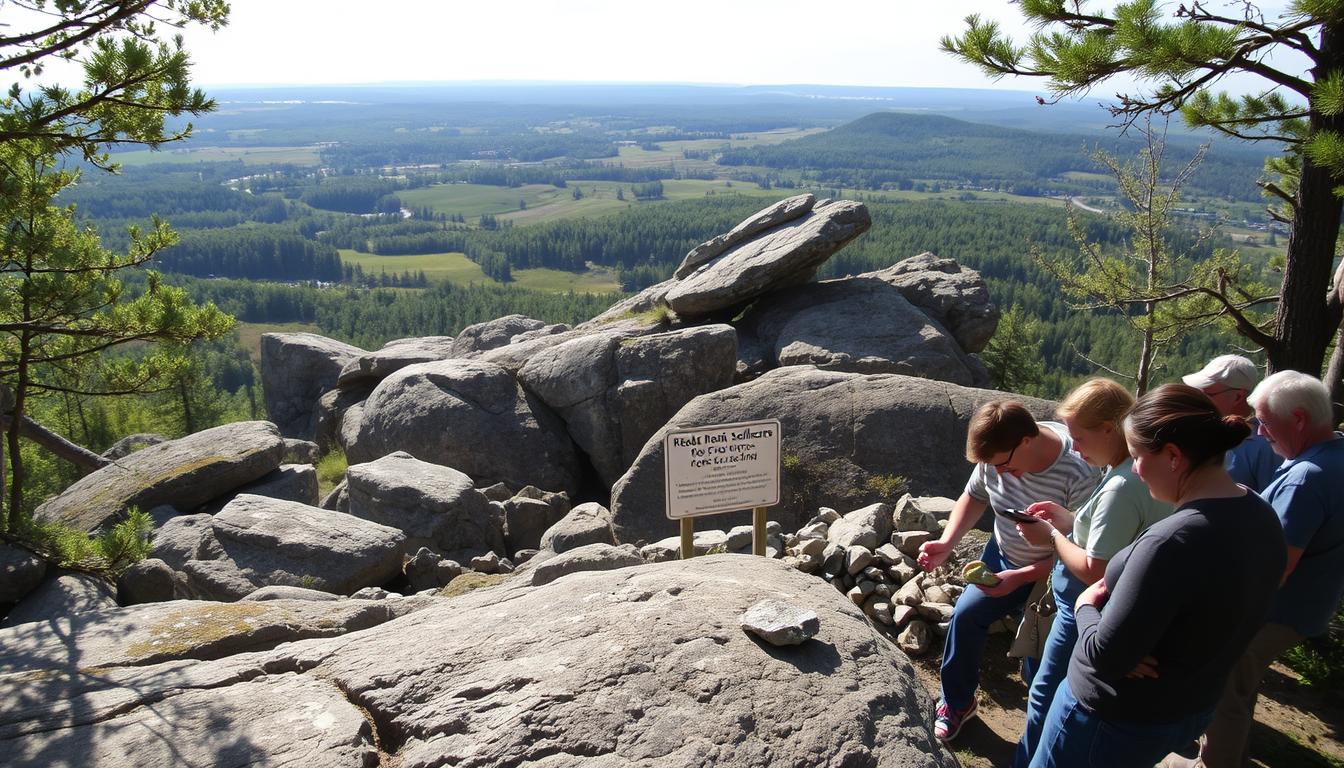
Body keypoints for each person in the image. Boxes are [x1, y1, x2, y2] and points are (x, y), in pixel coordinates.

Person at [1028, 384, 1286, 768]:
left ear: (1173, 456)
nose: (1133, 468)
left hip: (1110, 718)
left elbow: (1105, 656)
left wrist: (1085, 607)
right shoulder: (1261, 515)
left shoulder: (1172, 541)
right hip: (1188, 707)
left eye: (1136, 456)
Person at [1009, 379, 1173, 768]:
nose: (1074, 446)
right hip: (1097, 611)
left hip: (1083, 612)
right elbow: (1109, 538)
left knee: (1045, 696)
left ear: (1109, 429)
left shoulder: (1121, 484)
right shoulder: (1124, 471)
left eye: (1079, 438)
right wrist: (1070, 520)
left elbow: (1095, 568)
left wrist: (1050, 535)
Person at [916, 399, 1102, 742]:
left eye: (1005, 465)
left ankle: (1038, 727)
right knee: (966, 615)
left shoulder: (1080, 471)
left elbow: (1085, 554)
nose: (999, 473)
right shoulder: (998, 454)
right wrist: (947, 543)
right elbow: (974, 496)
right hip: (1001, 558)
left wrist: (1022, 576)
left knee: (1040, 657)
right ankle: (957, 702)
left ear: (1027, 441)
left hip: (1054, 579)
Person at [1191, 371, 1344, 768]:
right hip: (1308, 606)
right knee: (1241, 685)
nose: (1258, 432)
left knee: (1223, 688)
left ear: (1297, 419)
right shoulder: (1336, 455)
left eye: (1263, 420)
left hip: (1274, 609)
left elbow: (1275, 566)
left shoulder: (1305, 479)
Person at [1182, 354, 1280, 491]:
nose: (1199, 399)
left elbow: (1271, 503)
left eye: (1207, 394)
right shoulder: (1202, 432)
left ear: (1238, 396)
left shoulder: (1264, 446)